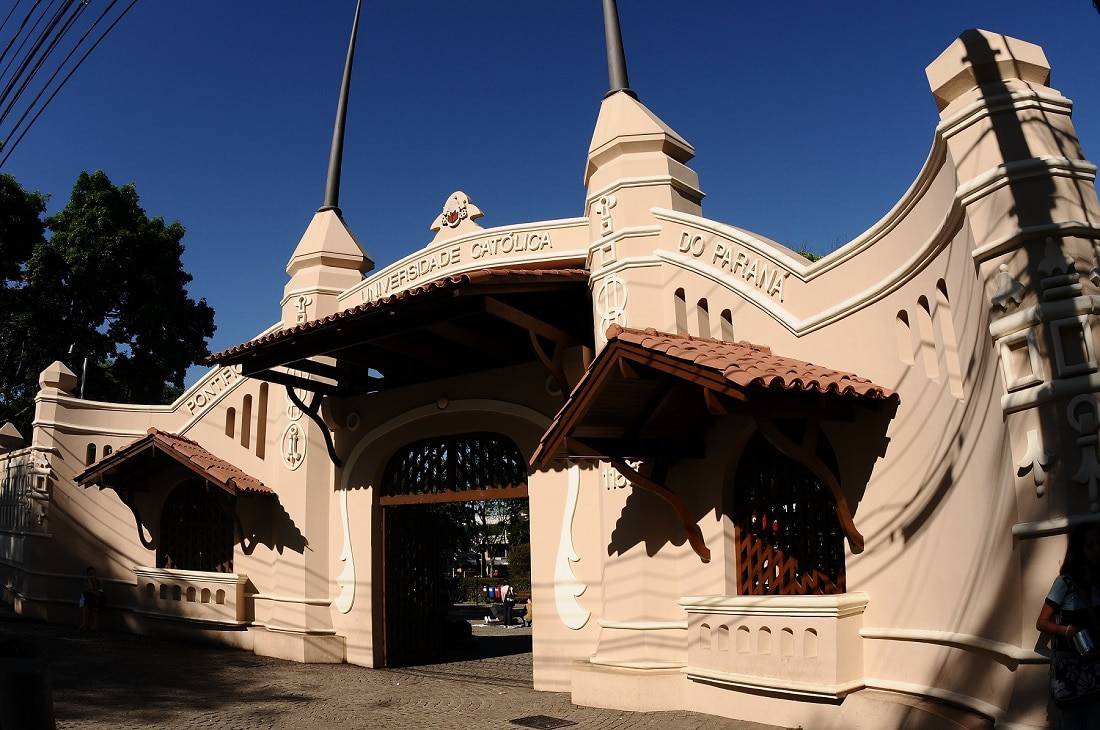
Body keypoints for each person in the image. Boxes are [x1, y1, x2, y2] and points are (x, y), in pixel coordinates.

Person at [1036, 523, 1100, 728]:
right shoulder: (1064, 583)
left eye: (1099, 544)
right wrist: (1068, 630)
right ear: (1078, 550)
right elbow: (1042, 623)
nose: (1096, 550)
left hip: (1096, 668)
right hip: (1070, 671)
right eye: (1090, 545)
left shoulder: (1098, 582)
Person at [79, 566, 102, 631]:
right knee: (84, 601)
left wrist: (93, 591)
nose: (92, 575)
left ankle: (93, 625)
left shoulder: (98, 581)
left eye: (93, 574)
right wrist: (89, 582)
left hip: (97, 598)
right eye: (90, 574)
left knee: (95, 602)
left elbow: (100, 592)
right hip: (88, 598)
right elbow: (87, 590)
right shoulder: (86, 581)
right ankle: (85, 623)